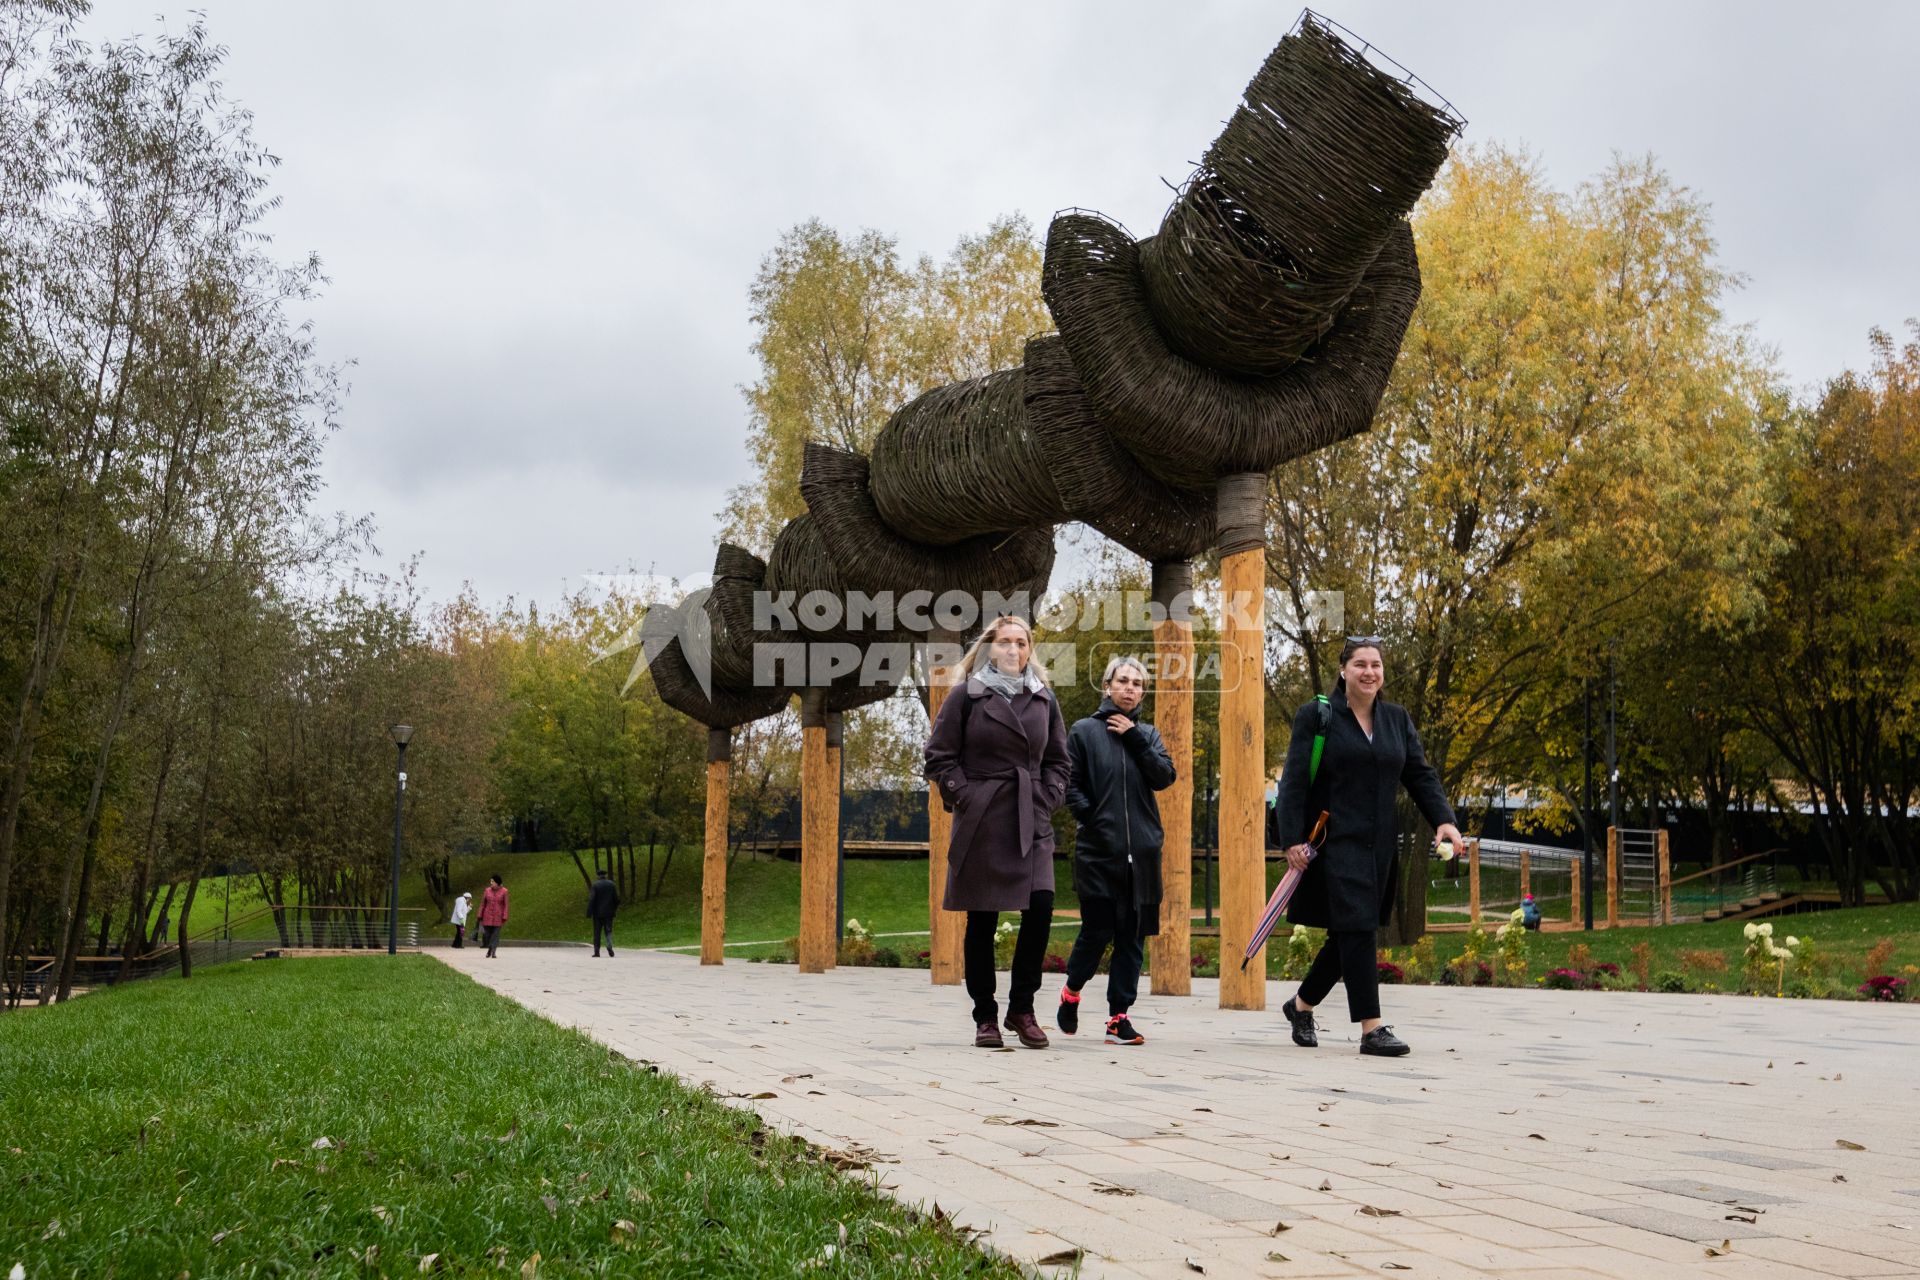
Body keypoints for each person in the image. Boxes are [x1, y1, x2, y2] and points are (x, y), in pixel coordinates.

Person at [1269, 637, 1465, 1056]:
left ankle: (1300, 1005)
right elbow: (1295, 783)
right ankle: (1371, 1029)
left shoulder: (1396, 719)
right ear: (1344, 670)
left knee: (1349, 934)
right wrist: (1290, 841)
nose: (1369, 672)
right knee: (1357, 927)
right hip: (1332, 842)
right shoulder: (1317, 716)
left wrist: (1445, 820)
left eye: (1376, 664)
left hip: (1379, 846)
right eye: (1360, 663)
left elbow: (1420, 774)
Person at [924, 614, 1071, 1050]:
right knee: (982, 919)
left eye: (1021, 643)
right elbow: (938, 756)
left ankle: (1021, 1009)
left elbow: (1059, 761)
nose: (1014, 650)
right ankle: (985, 1016)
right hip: (983, 819)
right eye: (1005, 642)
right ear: (989, 647)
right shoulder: (965, 695)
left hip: (1032, 817)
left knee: (1041, 908)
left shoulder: (1044, 698)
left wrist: (1047, 797)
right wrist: (966, 797)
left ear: (1030, 650)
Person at [1059, 656, 1175, 1046]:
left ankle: (1118, 1018)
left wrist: (1134, 737)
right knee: (1097, 931)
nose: (1130, 689)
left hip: (1142, 854)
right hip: (1098, 851)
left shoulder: (1149, 734)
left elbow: (1164, 777)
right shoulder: (1083, 732)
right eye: (1123, 681)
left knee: (1131, 937)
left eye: (1137, 684)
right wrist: (1094, 820)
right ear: (1107, 686)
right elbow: (1068, 784)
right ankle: (1072, 991)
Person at [587, 868, 620, 956]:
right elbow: (616, 899)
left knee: (597, 932)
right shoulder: (611, 884)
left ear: (598, 876)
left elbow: (592, 899)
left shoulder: (595, 885)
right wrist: (614, 909)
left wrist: (589, 912)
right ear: (605, 875)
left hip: (597, 914)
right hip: (609, 913)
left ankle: (597, 952)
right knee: (608, 931)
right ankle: (609, 946)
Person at [478, 874, 510, 958]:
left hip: (498, 917)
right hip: (487, 916)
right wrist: (479, 915)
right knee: (487, 935)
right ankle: (490, 948)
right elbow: (482, 904)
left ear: (497, 883)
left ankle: (493, 952)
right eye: (491, 881)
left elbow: (506, 905)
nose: (491, 883)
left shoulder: (504, 891)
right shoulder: (487, 890)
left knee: (495, 935)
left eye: (492, 881)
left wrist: (505, 916)